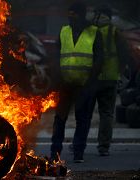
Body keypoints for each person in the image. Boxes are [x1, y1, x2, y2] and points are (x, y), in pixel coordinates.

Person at [50, 2, 103, 163]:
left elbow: (99, 59)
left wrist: (90, 82)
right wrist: (57, 79)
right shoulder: (64, 31)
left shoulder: (94, 32)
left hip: (84, 85)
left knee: (83, 120)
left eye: (74, 14)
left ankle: (78, 152)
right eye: (69, 14)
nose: (71, 17)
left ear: (81, 15)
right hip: (65, 85)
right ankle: (55, 153)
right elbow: (56, 56)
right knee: (59, 119)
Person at [90, 5, 126, 156]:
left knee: (85, 113)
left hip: (92, 78)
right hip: (110, 78)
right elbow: (123, 55)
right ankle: (103, 147)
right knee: (107, 114)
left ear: (98, 15)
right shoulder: (115, 31)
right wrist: (122, 75)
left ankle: (78, 145)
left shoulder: (90, 30)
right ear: (110, 17)